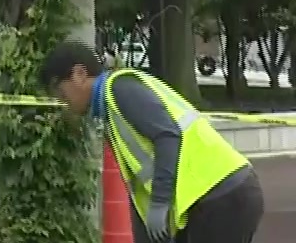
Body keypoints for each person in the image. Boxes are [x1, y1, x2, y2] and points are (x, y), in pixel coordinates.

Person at [39, 40, 264, 243]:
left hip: (220, 196)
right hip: (214, 198)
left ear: (79, 74)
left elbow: (167, 136)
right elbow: (141, 181)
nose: (61, 101)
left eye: (59, 91)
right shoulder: (111, 109)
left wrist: (159, 204)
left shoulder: (119, 89)